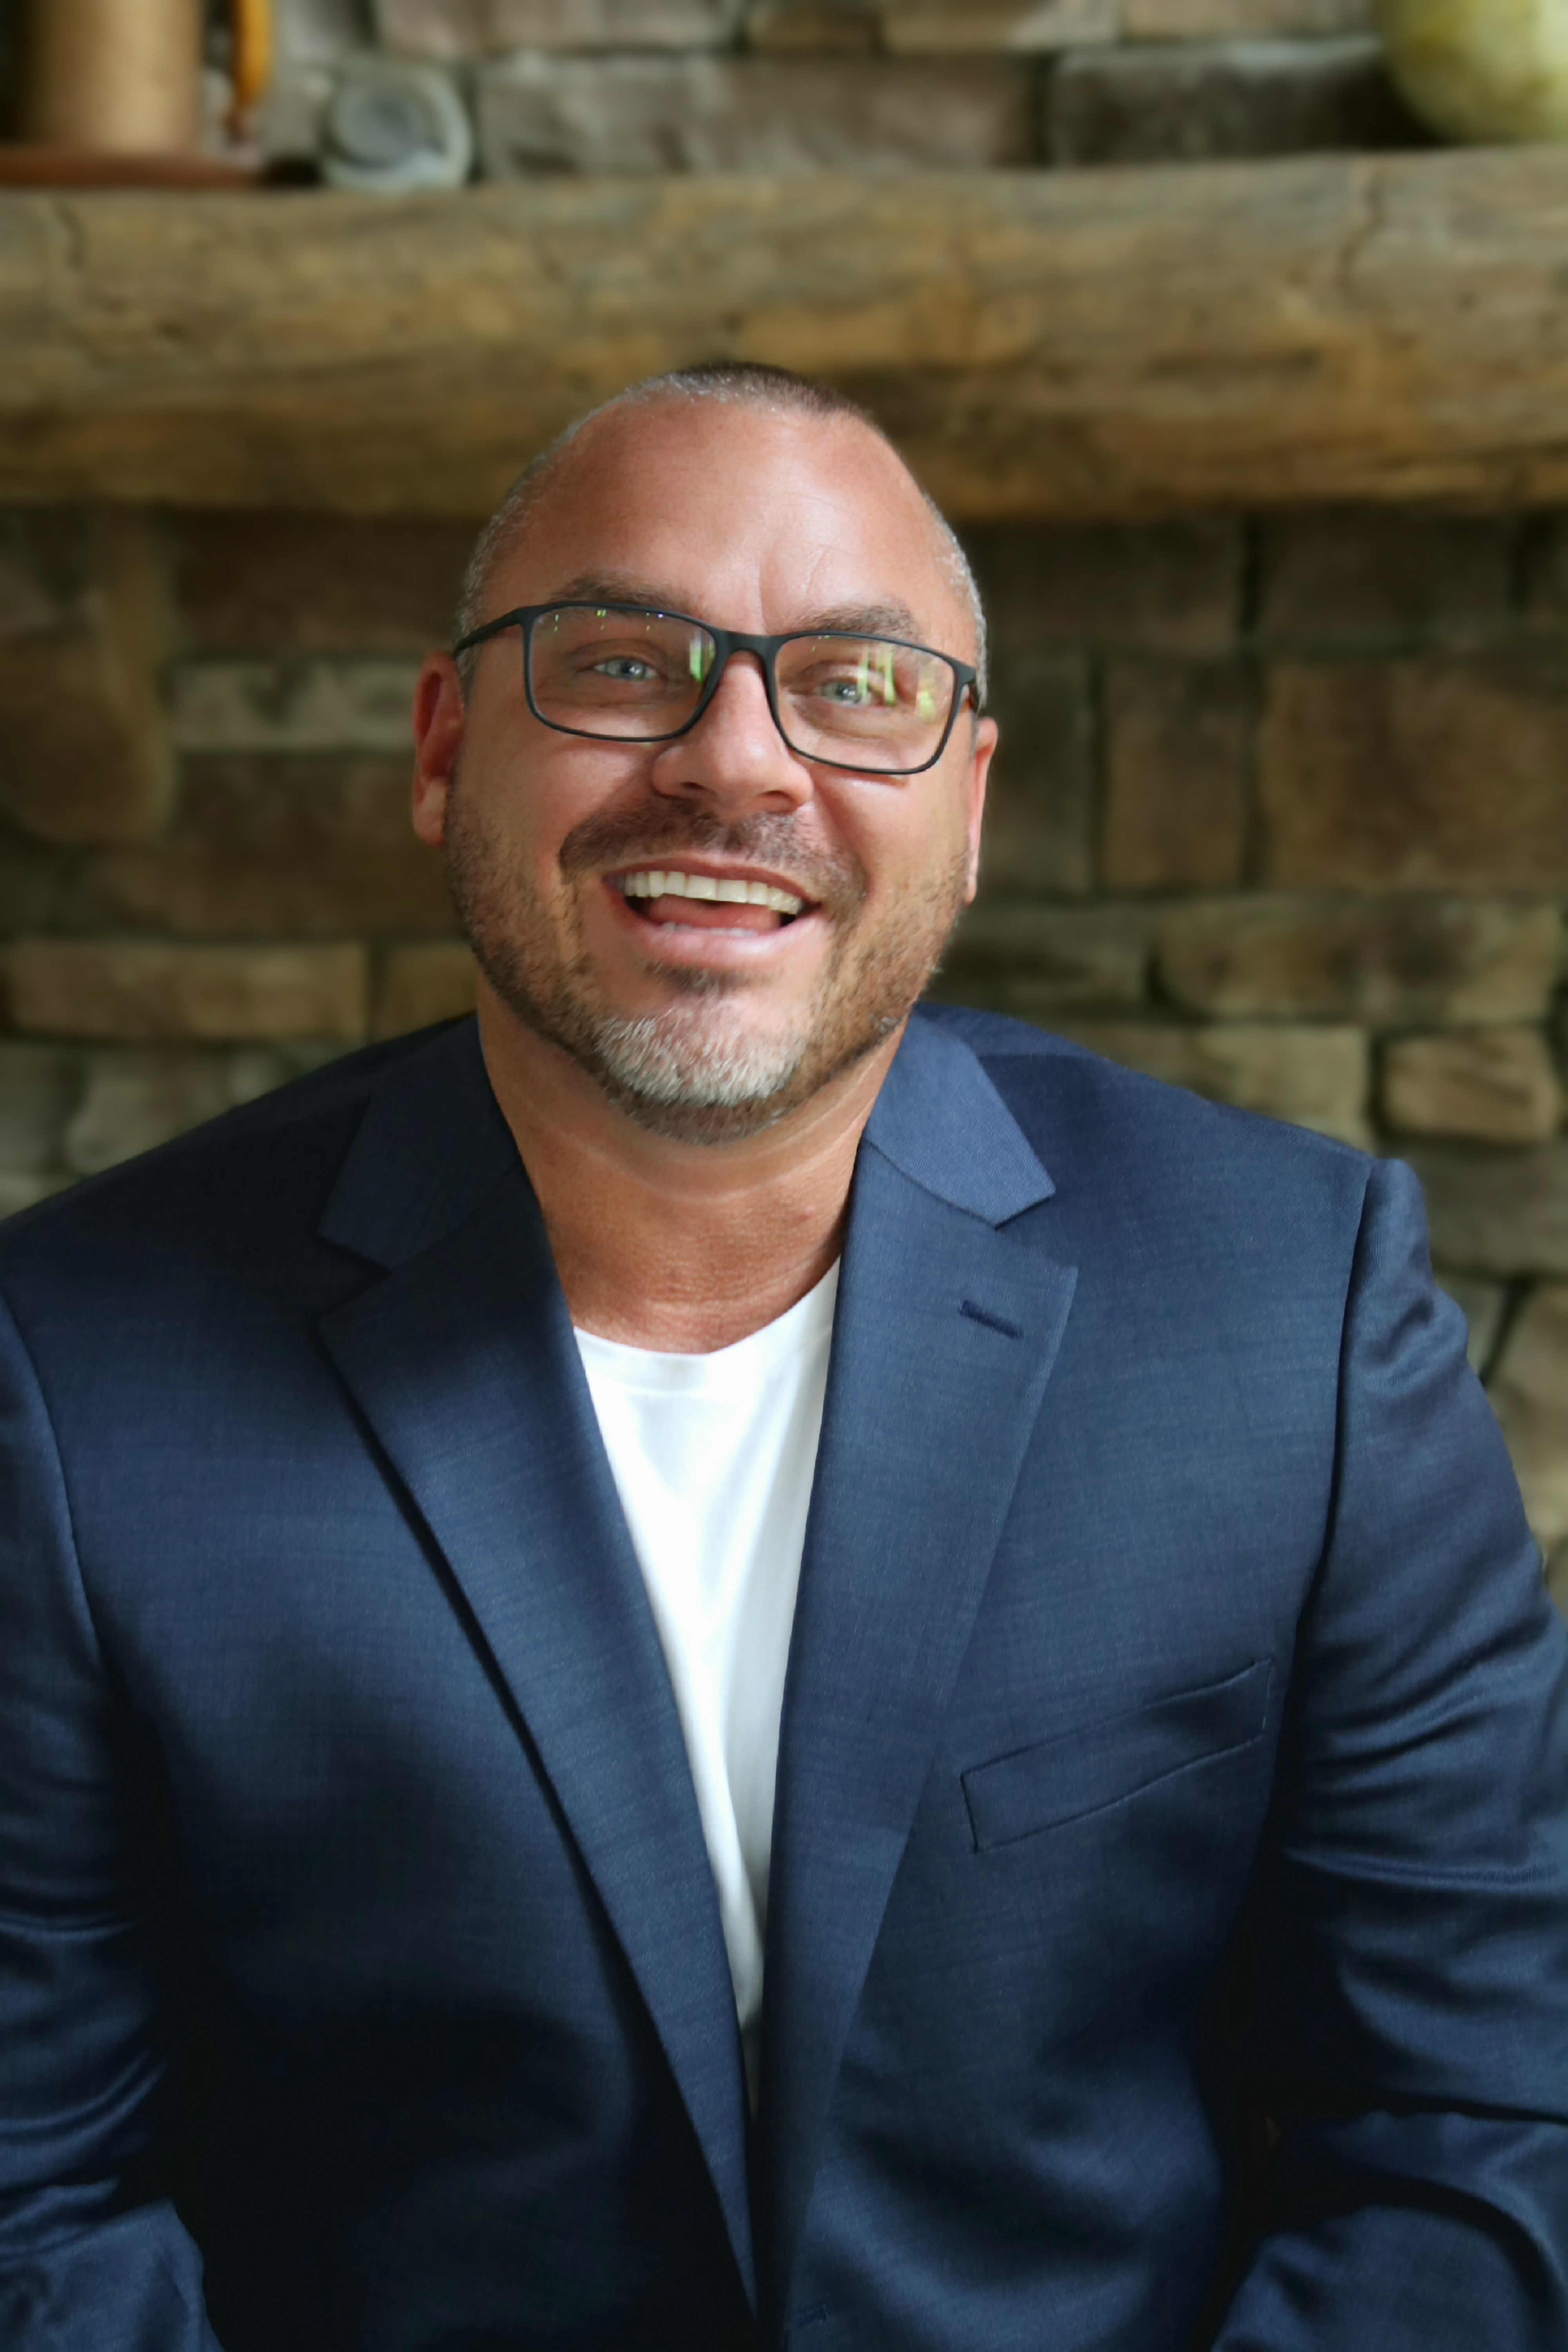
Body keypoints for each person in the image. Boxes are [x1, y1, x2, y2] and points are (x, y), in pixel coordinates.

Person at [1, 363, 1564, 2352]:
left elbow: (1478, 2118)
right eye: (620, 662)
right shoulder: (70, 1380)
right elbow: (34, 2194)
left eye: (857, 683)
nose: (736, 762)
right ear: (444, 748)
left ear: (968, 808)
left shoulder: (1297, 1313)